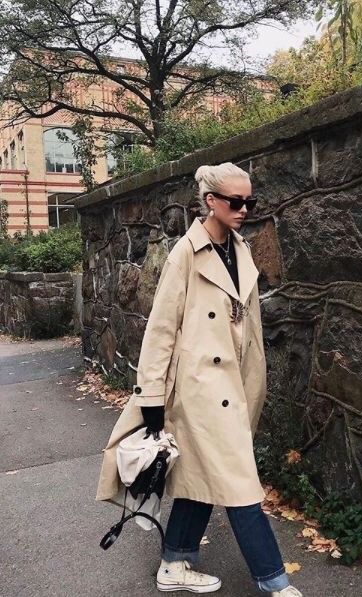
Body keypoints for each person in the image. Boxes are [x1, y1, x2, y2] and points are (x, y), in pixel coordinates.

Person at [96, 162, 303, 596]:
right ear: (211, 201)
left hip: (235, 387)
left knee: (201, 478)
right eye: (236, 202)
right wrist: (151, 399)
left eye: (250, 202)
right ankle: (275, 582)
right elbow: (160, 330)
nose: (244, 209)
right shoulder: (185, 255)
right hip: (198, 392)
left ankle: (174, 562)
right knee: (241, 486)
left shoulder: (240, 248)